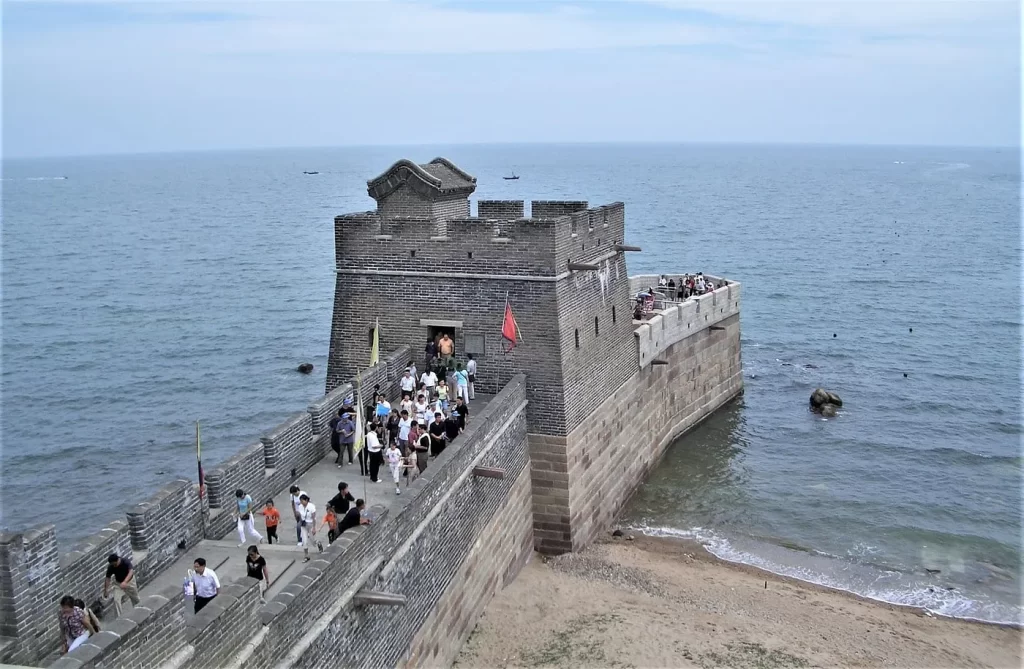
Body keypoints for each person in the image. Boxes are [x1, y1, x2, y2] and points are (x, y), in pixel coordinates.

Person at [297, 494, 316, 562]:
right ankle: (306, 555)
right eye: (301, 501)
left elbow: (314, 518)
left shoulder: (311, 506)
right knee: (304, 541)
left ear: (306, 500)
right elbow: (300, 515)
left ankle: (318, 543)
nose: (301, 502)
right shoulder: (300, 507)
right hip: (303, 525)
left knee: (312, 540)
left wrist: (314, 528)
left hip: (310, 524)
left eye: (302, 501)